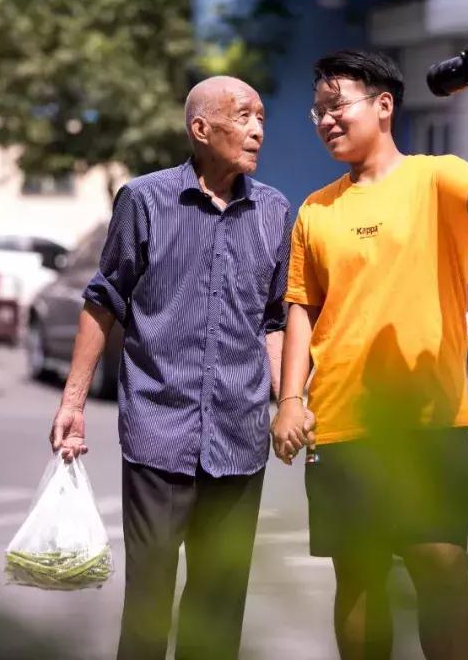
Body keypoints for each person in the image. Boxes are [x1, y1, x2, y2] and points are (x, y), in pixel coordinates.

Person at [49, 76, 311, 660]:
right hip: (157, 433)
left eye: (261, 117)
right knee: (148, 606)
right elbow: (103, 300)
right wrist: (73, 403)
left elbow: (274, 318)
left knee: (218, 611)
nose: (257, 129)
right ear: (201, 129)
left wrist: (289, 400)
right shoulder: (144, 201)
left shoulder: (274, 210)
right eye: (243, 116)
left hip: (240, 437)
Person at [271, 50, 468, 660]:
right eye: (319, 111)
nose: (327, 120)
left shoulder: (437, 177)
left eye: (339, 106)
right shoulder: (315, 209)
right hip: (340, 418)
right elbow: (301, 308)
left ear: (384, 106)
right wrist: (289, 399)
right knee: (358, 576)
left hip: (427, 417)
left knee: (440, 567)